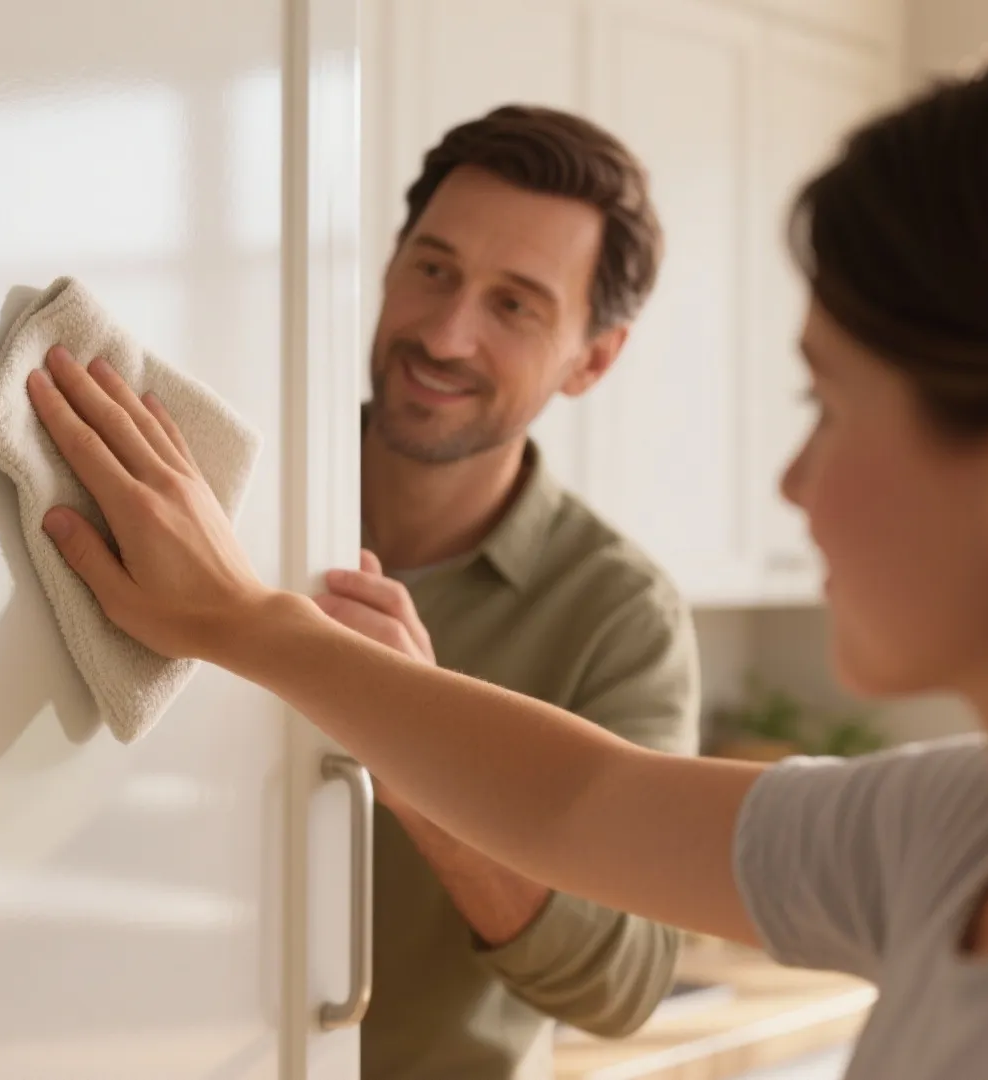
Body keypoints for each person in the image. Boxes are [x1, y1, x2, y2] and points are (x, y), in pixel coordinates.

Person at [22, 34, 988, 1078]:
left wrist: (244, 626)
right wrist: (241, 620)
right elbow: (581, 801)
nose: (793, 483)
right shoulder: (950, 832)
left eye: (826, 406)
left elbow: (615, 960)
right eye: (435, 271)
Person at [331, 108, 698, 1078]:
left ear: (593, 359)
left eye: (516, 306)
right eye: (435, 269)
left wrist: (413, 743)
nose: (445, 335)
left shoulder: (621, 617)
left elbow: (624, 981)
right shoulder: (242, 501)